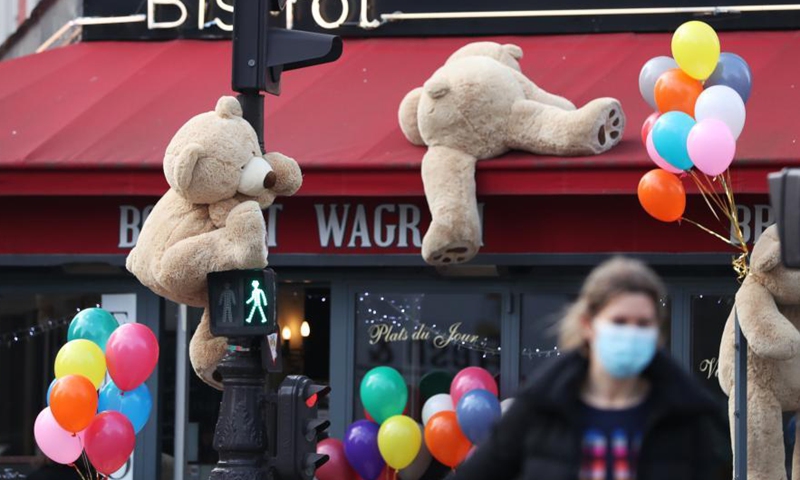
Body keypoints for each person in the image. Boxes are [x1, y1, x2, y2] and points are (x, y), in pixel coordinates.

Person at [450, 257, 727, 480]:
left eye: (643, 324)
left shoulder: (686, 417)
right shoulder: (541, 408)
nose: (631, 333)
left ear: (659, 334)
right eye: (619, 321)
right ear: (588, 324)